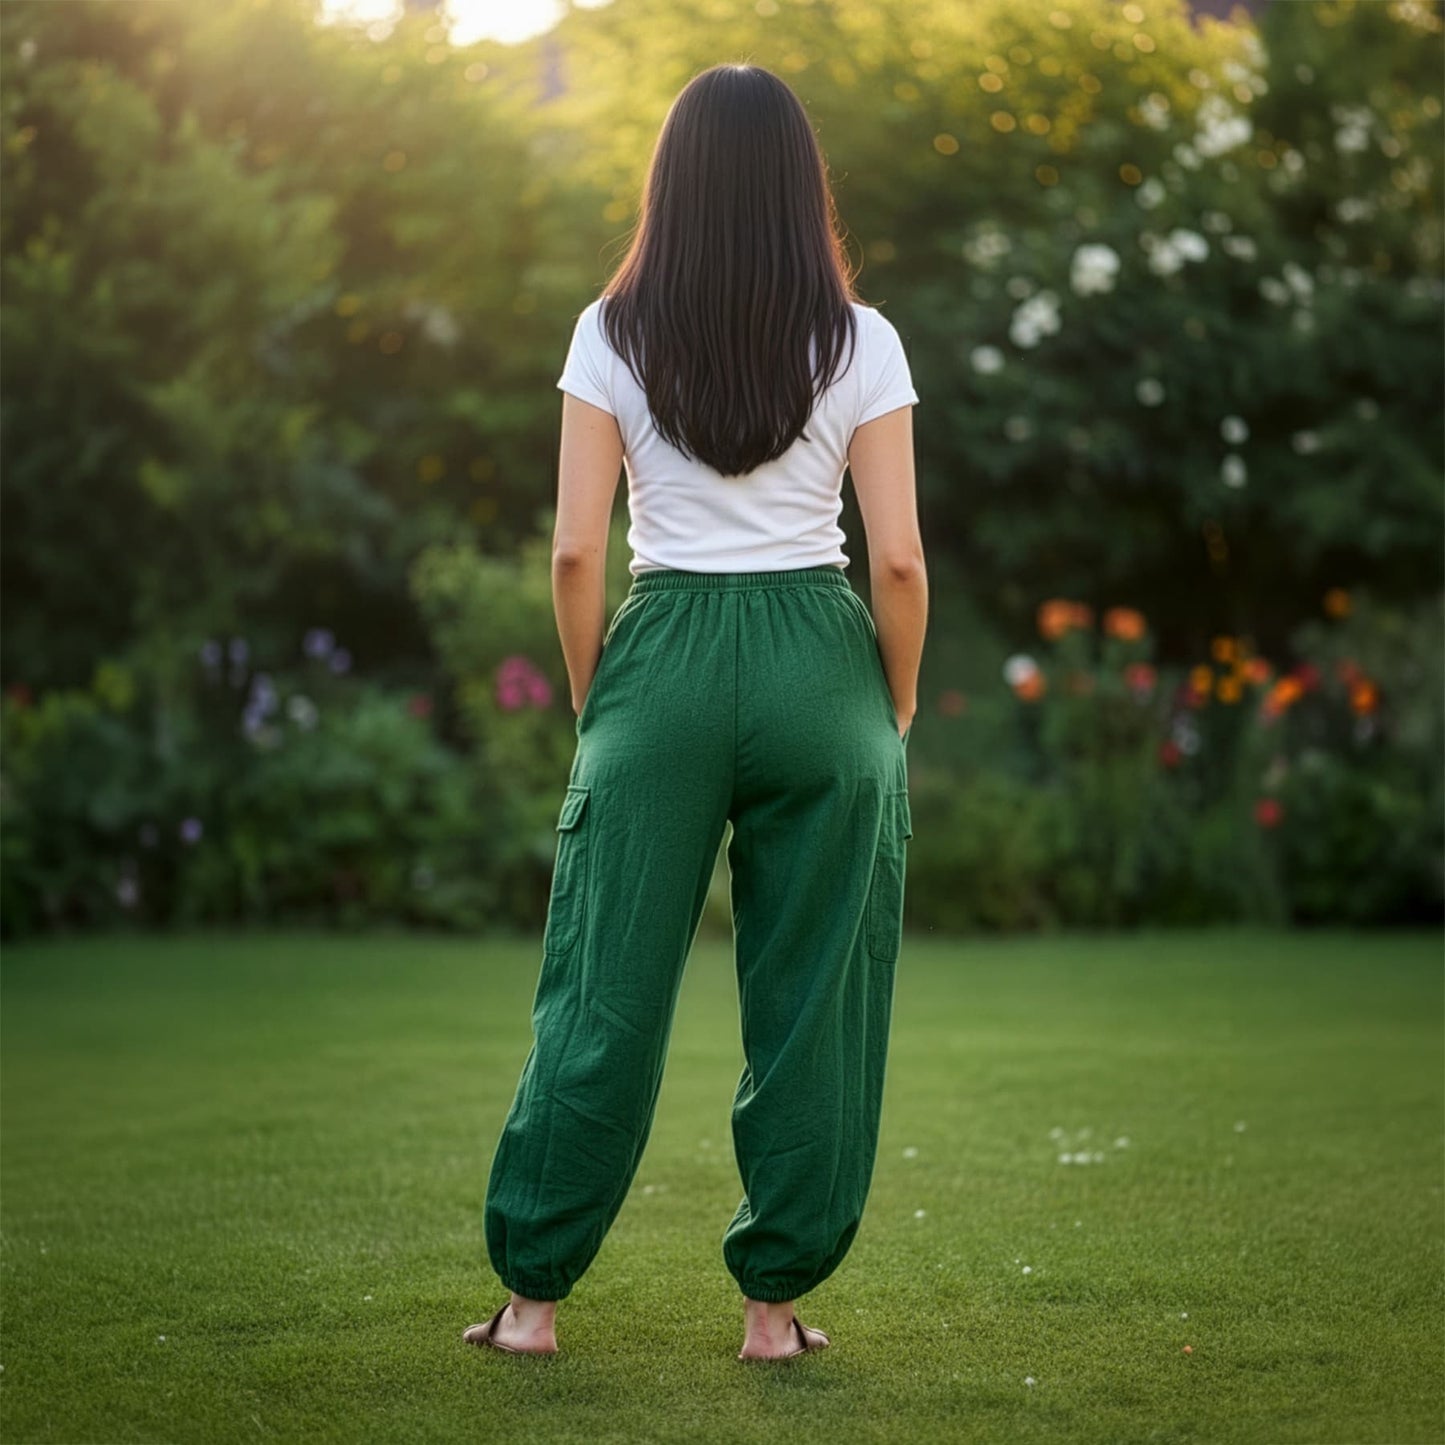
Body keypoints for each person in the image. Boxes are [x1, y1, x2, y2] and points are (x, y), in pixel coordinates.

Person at [464, 61, 927, 1363]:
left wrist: (589, 693)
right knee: (811, 1000)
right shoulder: (863, 339)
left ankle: (531, 1305)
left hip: (657, 653)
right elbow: (895, 561)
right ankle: (771, 1317)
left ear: (668, 183)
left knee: (599, 990)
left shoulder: (606, 332)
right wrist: (887, 703)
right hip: (819, 661)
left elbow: (570, 553)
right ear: (799, 185)